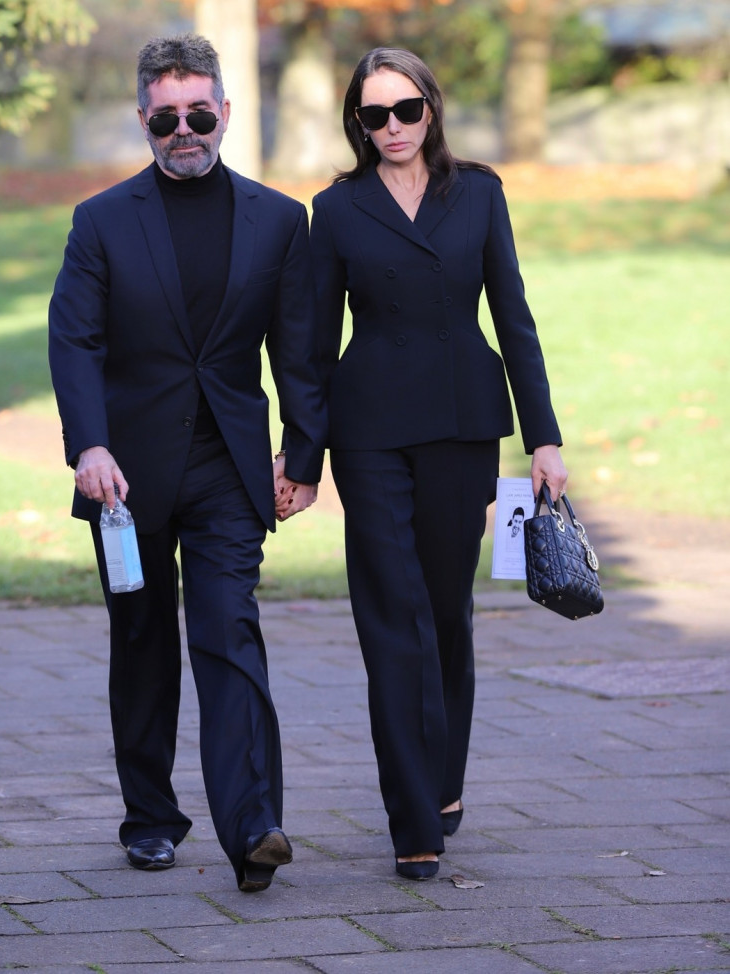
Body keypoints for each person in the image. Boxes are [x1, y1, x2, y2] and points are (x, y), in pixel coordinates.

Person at [48, 33, 327, 893]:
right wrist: (88, 445)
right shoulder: (99, 221)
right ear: (143, 119)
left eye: (198, 113)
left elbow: (302, 350)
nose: (184, 129)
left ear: (225, 113)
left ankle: (254, 829)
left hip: (229, 468)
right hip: (125, 476)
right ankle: (151, 819)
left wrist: (304, 455)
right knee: (141, 643)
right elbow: (75, 340)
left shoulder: (280, 219)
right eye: (165, 116)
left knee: (228, 633)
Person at [309, 48, 568, 881]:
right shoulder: (337, 210)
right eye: (373, 116)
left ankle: (445, 784)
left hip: (463, 427)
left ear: (432, 109)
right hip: (371, 432)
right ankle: (413, 820)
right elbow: (312, 346)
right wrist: (302, 459)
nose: (391, 128)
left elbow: (515, 316)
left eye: (405, 110)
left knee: (447, 612)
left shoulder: (480, 193)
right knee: (394, 615)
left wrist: (545, 439)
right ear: (357, 123)